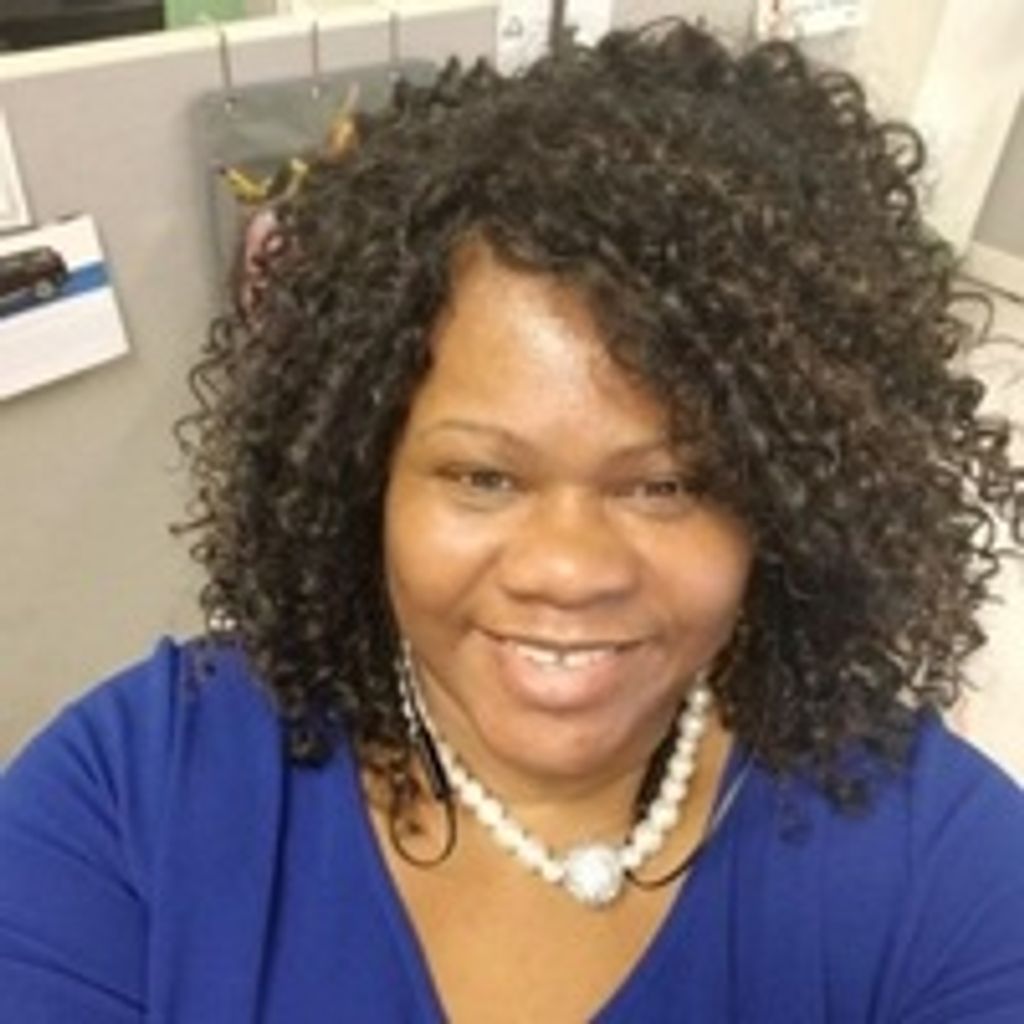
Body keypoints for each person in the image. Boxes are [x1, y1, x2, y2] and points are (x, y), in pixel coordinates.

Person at [2, 18, 1024, 1023]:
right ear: (366, 476)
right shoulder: (130, 802)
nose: (567, 569)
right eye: (483, 476)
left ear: (783, 499)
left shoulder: (941, 872)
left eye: (665, 485)